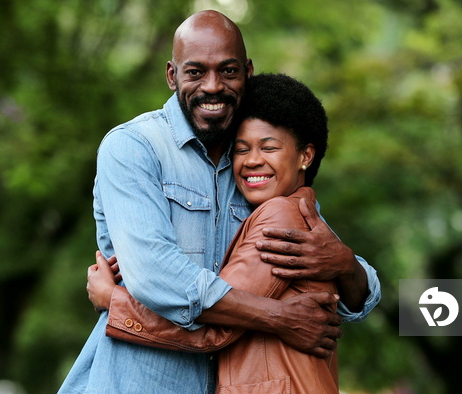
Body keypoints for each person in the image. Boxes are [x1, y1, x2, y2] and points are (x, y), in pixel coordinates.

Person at [59, 10, 380, 394]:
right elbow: (156, 277)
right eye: (195, 72)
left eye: (228, 71)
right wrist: (276, 317)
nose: (212, 86)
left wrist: (344, 264)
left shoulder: (255, 167)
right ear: (171, 74)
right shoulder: (134, 147)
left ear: (247, 71)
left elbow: (345, 290)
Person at [88, 73, 355, 393]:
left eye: (268, 148)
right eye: (241, 150)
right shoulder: (300, 216)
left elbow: (214, 330)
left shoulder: (279, 216)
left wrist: (113, 300)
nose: (253, 160)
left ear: (305, 156)